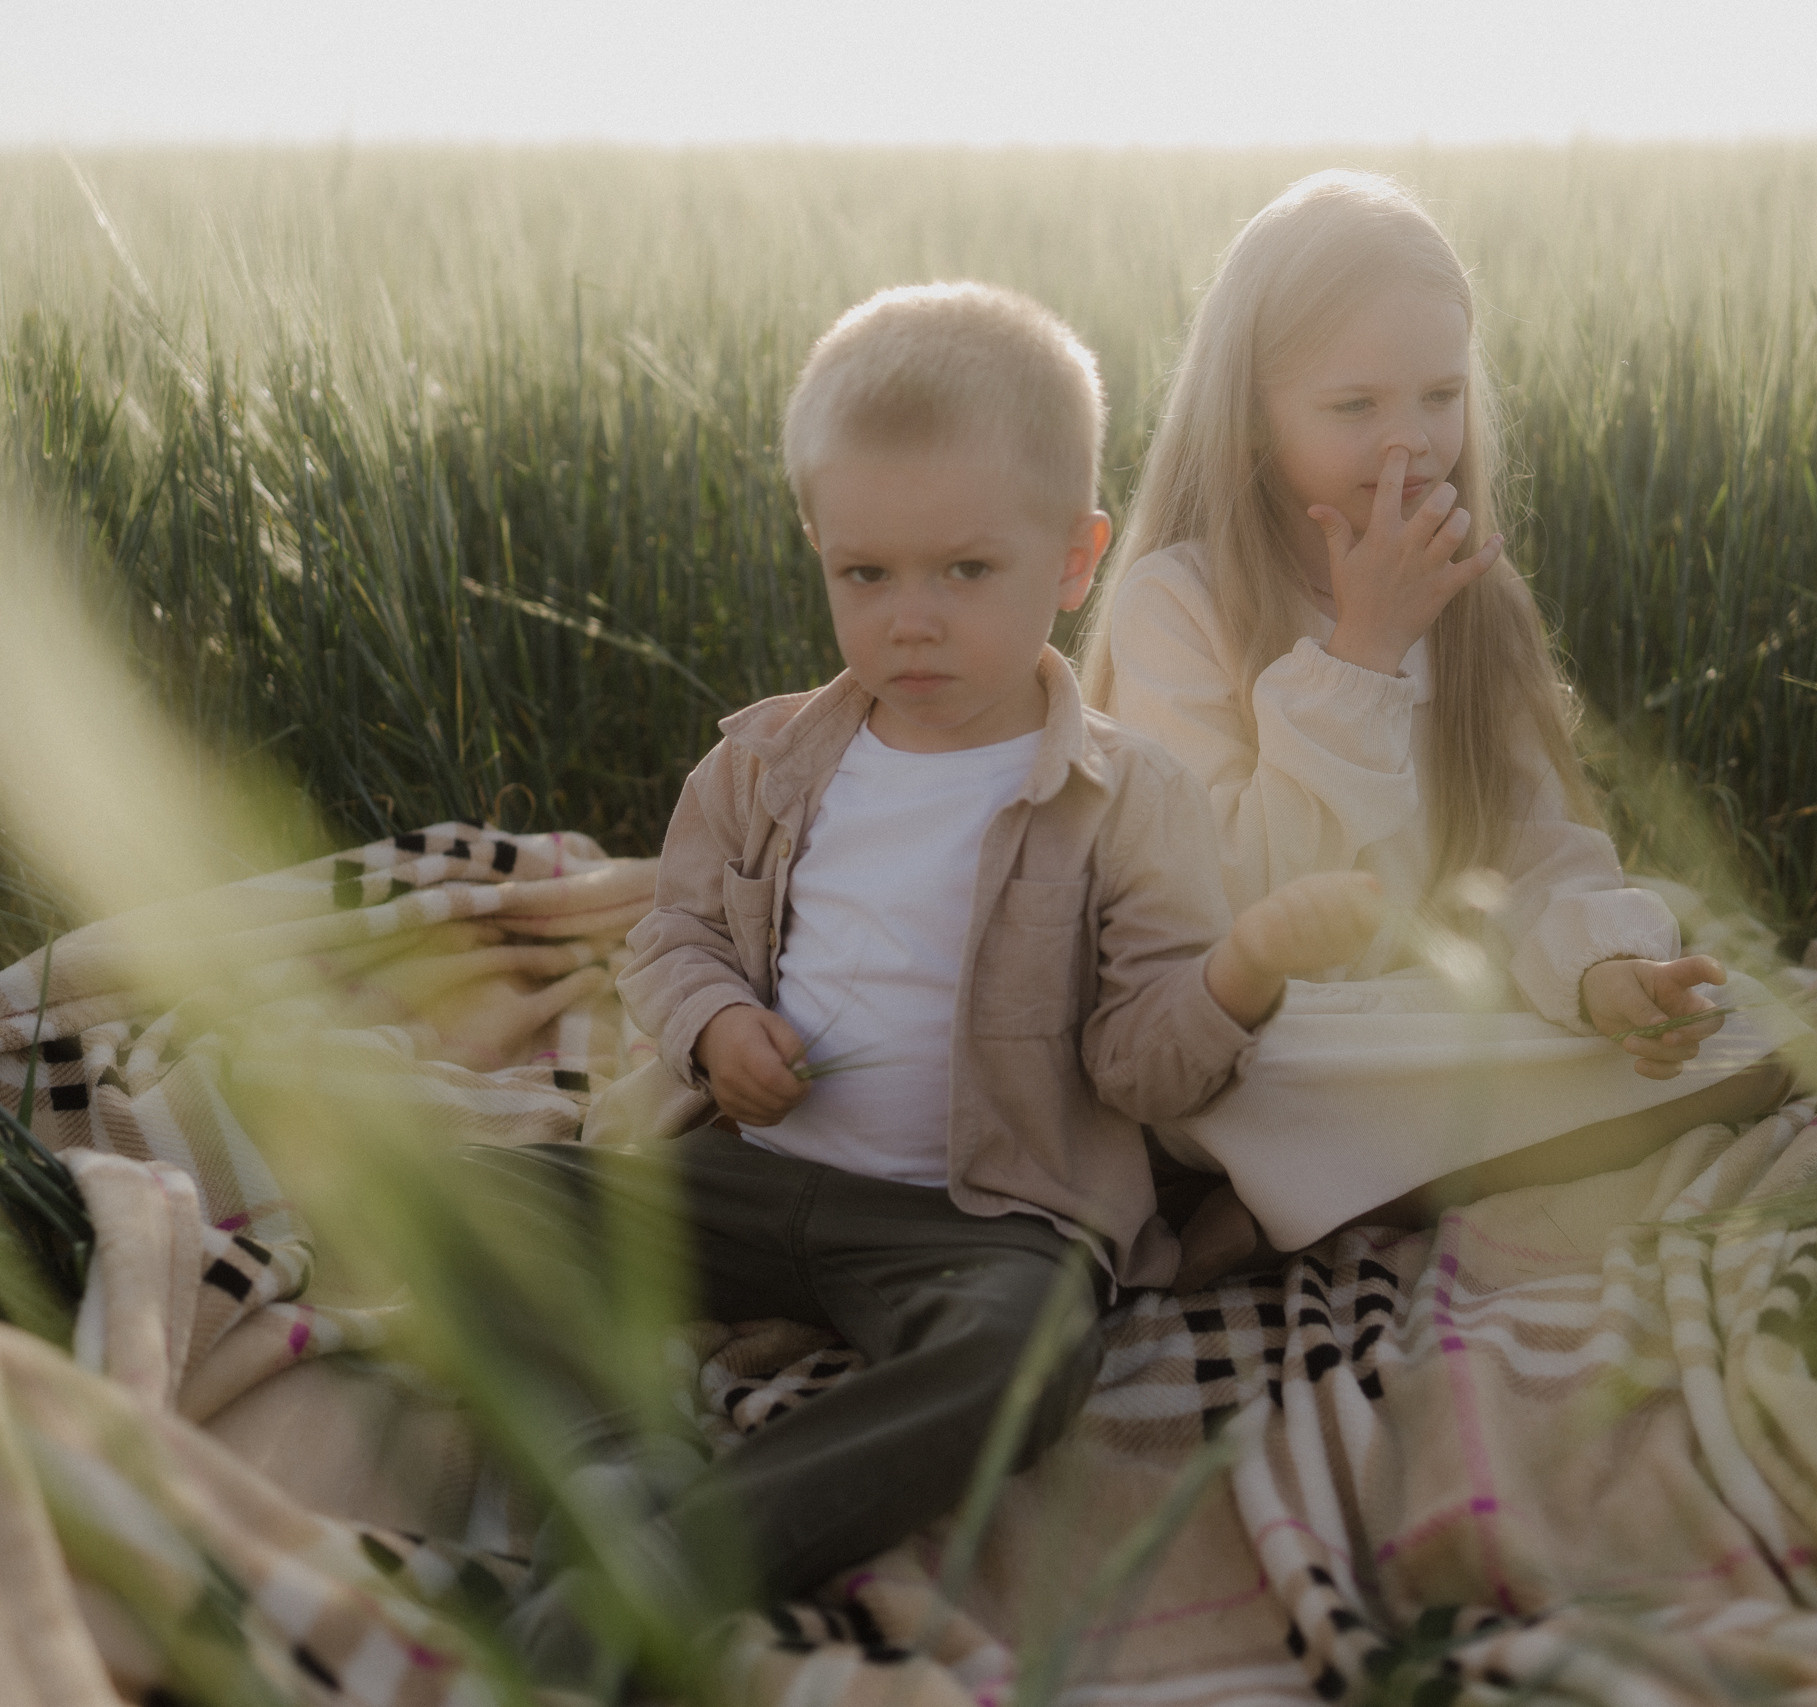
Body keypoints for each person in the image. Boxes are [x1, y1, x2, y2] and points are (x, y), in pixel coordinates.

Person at [475, 281, 1381, 1657]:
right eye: (868, 574)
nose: (912, 619)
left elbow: (1140, 1060)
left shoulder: (1127, 798)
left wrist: (1245, 965)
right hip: (754, 1177)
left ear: (1073, 559)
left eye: (966, 571)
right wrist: (715, 1024)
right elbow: (672, 935)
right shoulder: (764, 762)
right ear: (818, 547)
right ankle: (613, 1462)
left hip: (983, 1222)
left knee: (1024, 1355)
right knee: (460, 1192)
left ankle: (676, 1561)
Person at [1076, 171, 1800, 1281]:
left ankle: (1331, 1202)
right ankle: (1337, 1184)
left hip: (1432, 1019)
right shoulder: (1176, 603)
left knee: (1744, 1047)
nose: (1409, 445)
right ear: (1254, 414)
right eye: (1353, 407)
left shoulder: (1475, 598)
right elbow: (1224, 897)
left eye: (1438, 396)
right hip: (1258, 1032)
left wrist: (1600, 974)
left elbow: (1542, 853)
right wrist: (1358, 654)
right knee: (1294, 1061)